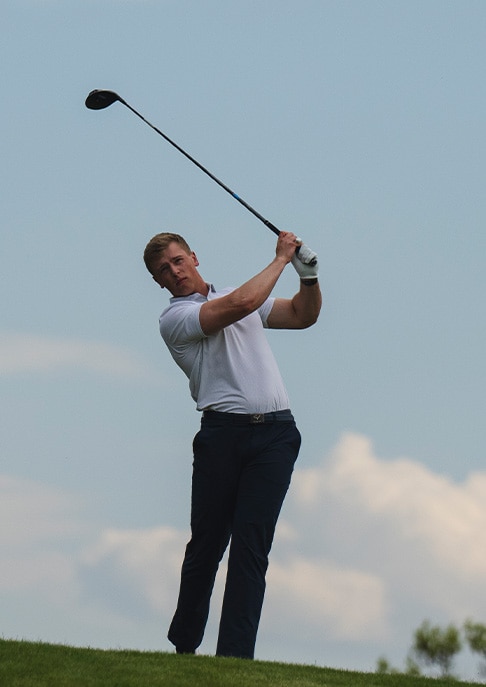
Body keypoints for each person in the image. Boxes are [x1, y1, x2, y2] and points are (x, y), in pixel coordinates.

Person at [143, 230, 321, 659]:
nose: (175, 270)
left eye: (179, 260)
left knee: (251, 547)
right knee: (207, 545)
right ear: (159, 282)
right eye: (164, 269)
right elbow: (241, 303)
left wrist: (309, 278)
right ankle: (185, 644)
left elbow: (302, 315)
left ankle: (235, 660)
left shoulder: (240, 296)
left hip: (275, 436)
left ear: (194, 257)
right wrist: (281, 259)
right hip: (222, 437)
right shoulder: (176, 319)